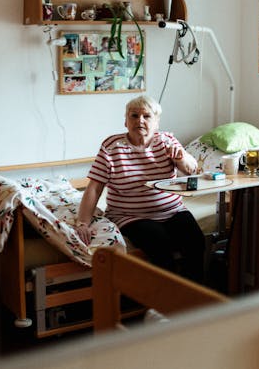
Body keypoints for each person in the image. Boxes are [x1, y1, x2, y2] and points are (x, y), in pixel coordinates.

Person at [75, 95, 205, 283]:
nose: (140, 121)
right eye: (134, 116)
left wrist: (181, 158)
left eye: (146, 116)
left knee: (196, 240)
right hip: (130, 215)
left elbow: (191, 168)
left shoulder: (167, 141)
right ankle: (165, 300)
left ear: (157, 122)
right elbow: (94, 188)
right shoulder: (112, 147)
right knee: (160, 243)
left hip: (172, 210)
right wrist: (83, 223)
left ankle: (196, 299)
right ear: (125, 121)